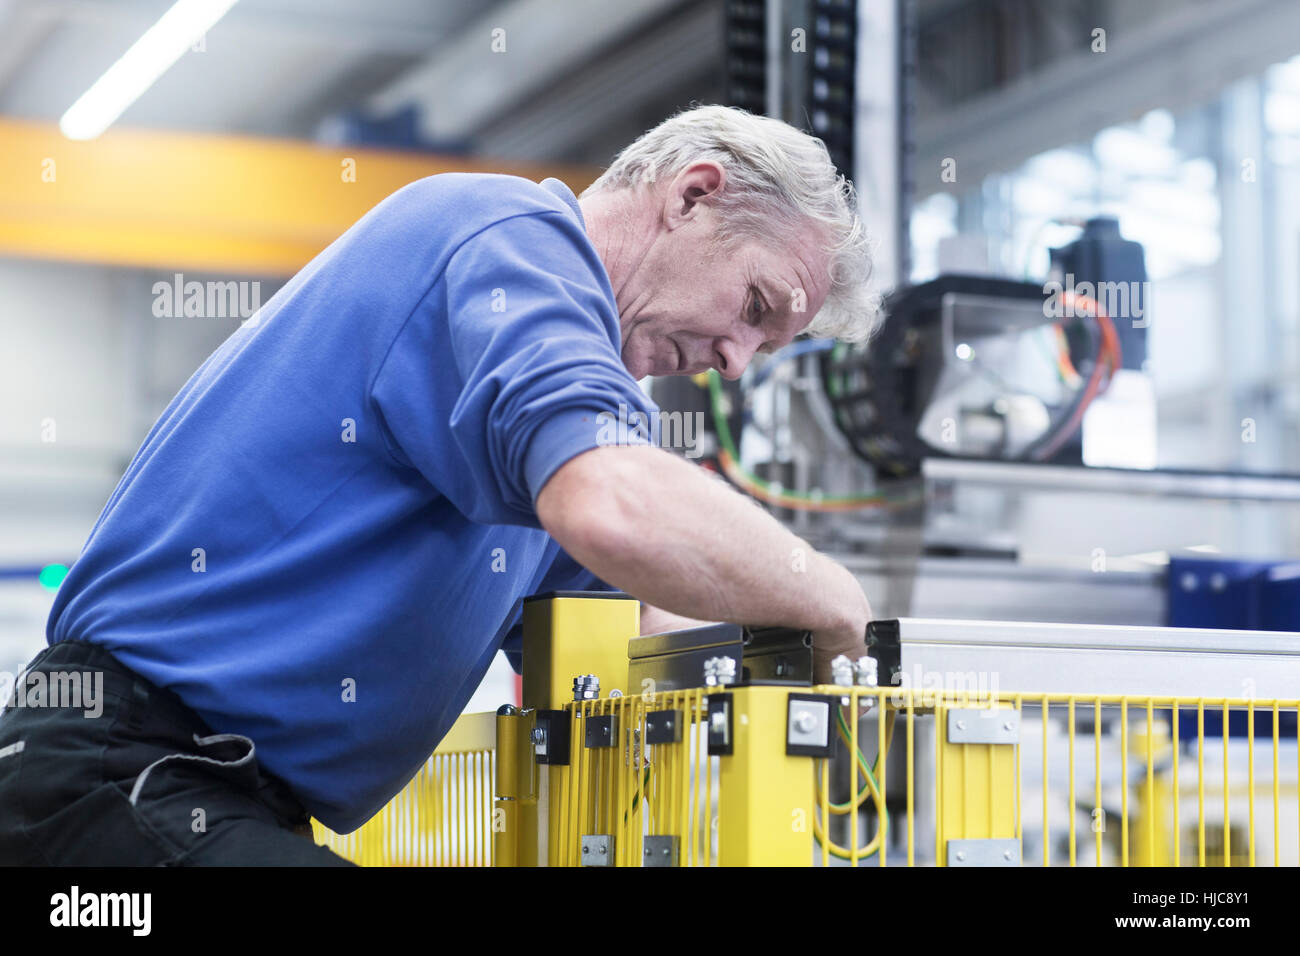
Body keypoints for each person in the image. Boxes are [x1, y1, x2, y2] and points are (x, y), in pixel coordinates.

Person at [0, 105, 879, 865]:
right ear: (693, 195)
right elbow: (615, 508)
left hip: (217, 800)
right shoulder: (504, 239)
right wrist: (828, 600)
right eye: (756, 307)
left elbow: (634, 633)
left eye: (763, 351)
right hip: (115, 777)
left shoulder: (560, 427)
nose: (733, 361)